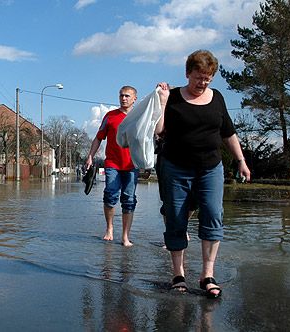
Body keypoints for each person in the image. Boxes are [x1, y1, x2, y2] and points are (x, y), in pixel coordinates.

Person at [155, 50, 251, 298]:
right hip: (176, 167)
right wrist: (163, 102)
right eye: (199, 77)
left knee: (213, 213)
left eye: (208, 78)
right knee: (176, 217)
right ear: (188, 74)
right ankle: (178, 275)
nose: (203, 82)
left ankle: (207, 275)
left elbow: (228, 133)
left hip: (210, 167)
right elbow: (159, 131)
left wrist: (241, 161)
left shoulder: (217, 98)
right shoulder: (173, 97)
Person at [85, 86, 139, 247]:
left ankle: (125, 236)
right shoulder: (110, 116)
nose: (124, 98)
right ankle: (109, 228)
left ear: (135, 98)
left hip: (132, 164)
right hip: (112, 163)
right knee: (110, 194)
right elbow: (98, 138)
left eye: (127, 96)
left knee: (129, 200)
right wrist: (90, 156)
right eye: (121, 96)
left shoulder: (140, 116)